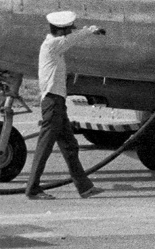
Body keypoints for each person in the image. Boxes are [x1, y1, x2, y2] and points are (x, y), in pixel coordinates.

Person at [24, 10, 105, 200]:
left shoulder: (54, 46)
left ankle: (84, 187)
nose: (70, 33)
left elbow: (70, 39)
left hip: (57, 102)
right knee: (45, 147)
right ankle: (33, 188)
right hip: (53, 102)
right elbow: (71, 40)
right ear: (61, 32)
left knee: (70, 145)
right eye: (68, 30)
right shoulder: (53, 45)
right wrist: (91, 30)